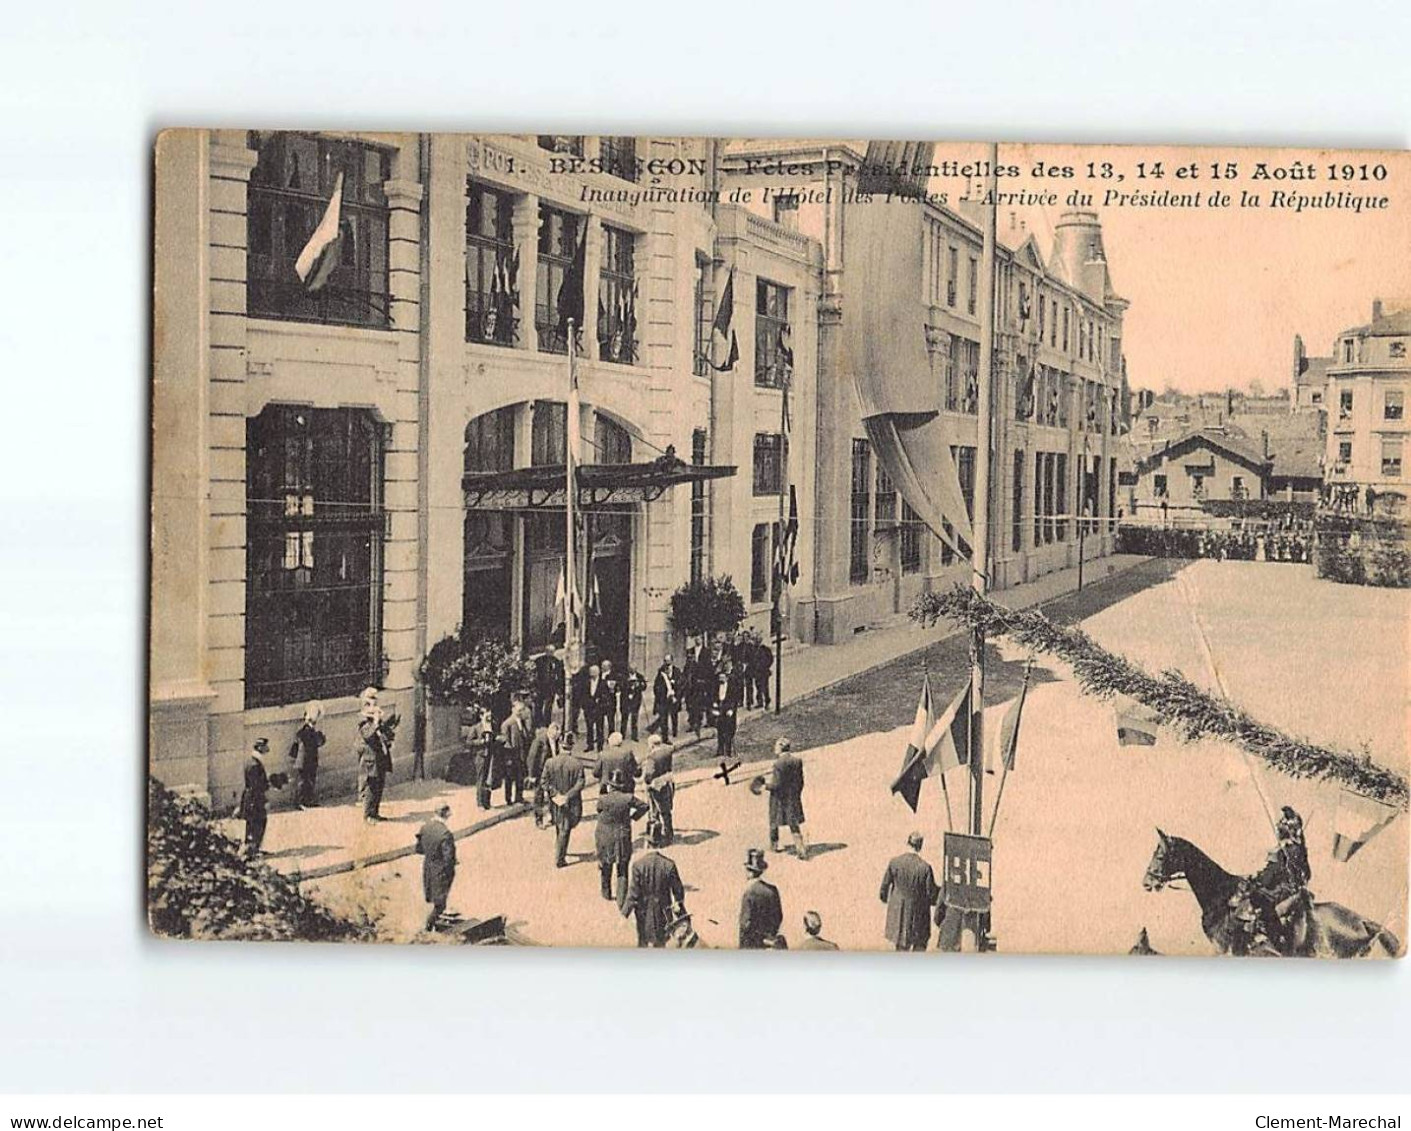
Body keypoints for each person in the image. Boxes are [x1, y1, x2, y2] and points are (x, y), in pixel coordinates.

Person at [879, 831, 941, 951]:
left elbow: (883, 889)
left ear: (908, 843)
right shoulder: (925, 868)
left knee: (900, 950)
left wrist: (886, 899)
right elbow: (932, 895)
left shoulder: (895, 863)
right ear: (920, 846)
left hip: (899, 916)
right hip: (918, 919)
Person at [595, 769, 648, 906]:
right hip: (622, 835)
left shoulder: (603, 799)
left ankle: (606, 893)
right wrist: (633, 817)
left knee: (606, 865)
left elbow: (599, 810)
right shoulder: (628, 798)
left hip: (605, 836)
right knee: (622, 868)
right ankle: (621, 899)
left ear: (610, 785)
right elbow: (644, 806)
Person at [622, 848, 686, 948]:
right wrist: (679, 907)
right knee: (661, 942)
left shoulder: (638, 865)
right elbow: (678, 890)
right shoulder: (669, 865)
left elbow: (633, 893)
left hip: (643, 912)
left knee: (642, 940)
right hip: (663, 911)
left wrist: (625, 912)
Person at [543, 732, 586, 867]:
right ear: (571, 747)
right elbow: (580, 783)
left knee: (559, 824)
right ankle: (560, 858)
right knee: (565, 828)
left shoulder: (550, 762)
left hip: (555, 801)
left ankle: (559, 848)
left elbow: (544, 782)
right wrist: (567, 795)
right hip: (571, 802)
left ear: (560, 746)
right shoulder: (577, 764)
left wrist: (555, 794)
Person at [414, 803, 457, 932]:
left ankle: (432, 923)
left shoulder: (424, 828)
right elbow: (449, 859)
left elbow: (418, 849)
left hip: (428, 867)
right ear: (445, 815)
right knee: (440, 904)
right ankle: (428, 927)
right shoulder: (446, 834)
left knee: (430, 897)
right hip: (440, 871)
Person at [765, 737, 808, 860]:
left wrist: (766, 786)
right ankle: (801, 849)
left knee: (774, 821)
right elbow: (800, 781)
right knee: (793, 823)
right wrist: (796, 794)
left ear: (780, 748)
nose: (774, 748)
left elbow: (776, 785)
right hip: (792, 798)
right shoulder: (797, 761)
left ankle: (773, 846)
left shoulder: (778, 764)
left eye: (776, 746)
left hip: (779, 799)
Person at [238, 737, 282, 857]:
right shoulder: (254, 764)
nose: (268, 749)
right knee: (257, 822)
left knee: (254, 823)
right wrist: (264, 800)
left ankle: (253, 848)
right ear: (260, 748)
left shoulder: (253, 762)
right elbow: (256, 786)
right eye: (265, 746)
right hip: (254, 799)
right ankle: (252, 849)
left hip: (252, 798)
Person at [355, 687, 392, 823]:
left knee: (379, 785)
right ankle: (367, 815)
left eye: (375, 702)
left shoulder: (375, 720)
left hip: (380, 757)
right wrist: (375, 722)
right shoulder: (363, 720)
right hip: (369, 759)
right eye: (370, 703)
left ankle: (375, 812)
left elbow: (382, 734)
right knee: (370, 787)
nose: (374, 706)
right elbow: (368, 735)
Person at [738, 848, 785, 949]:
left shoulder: (749, 893)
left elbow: (745, 924)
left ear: (749, 872)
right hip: (770, 942)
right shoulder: (773, 890)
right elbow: (778, 916)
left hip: (752, 944)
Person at [286, 701, 325, 809]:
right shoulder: (306, 730)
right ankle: (300, 802)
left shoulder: (310, 730)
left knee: (310, 780)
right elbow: (315, 742)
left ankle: (308, 800)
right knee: (303, 782)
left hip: (310, 759)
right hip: (304, 760)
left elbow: (321, 742)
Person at [642, 733, 675, 847]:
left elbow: (649, 774)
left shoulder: (652, 757)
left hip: (655, 785)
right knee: (666, 811)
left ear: (651, 745)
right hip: (666, 781)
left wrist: (646, 780)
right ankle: (669, 834)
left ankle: (656, 836)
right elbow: (671, 747)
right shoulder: (667, 752)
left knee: (654, 811)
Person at [526, 721, 561, 829]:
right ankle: (539, 820)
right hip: (540, 773)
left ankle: (554, 817)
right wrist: (531, 775)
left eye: (558, 736)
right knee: (539, 796)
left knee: (553, 795)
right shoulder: (539, 741)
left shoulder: (556, 740)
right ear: (550, 731)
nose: (556, 737)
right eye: (555, 735)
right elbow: (531, 758)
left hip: (552, 772)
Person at [498, 700, 530, 807]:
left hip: (521, 755)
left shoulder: (522, 721)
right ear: (513, 710)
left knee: (520, 777)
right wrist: (508, 757)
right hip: (511, 756)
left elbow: (524, 737)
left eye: (522, 710)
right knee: (509, 778)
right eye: (519, 710)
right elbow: (505, 741)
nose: (520, 712)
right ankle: (508, 799)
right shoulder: (507, 723)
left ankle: (519, 798)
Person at [595, 730, 639, 796]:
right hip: (625, 786)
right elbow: (635, 771)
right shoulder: (628, 754)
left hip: (607, 787)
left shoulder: (602, 754)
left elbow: (595, 772)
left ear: (609, 742)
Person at [470, 707, 497, 810]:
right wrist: (480, 742)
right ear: (481, 716)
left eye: (490, 716)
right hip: (480, 756)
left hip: (491, 755)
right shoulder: (476, 728)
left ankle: (487, 803)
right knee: (481, 779)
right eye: (487, 716)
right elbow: (469, 742)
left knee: (489, 779)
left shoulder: (492, 726)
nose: (489, 718)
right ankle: (480, 803)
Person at [710, 670, 740, 763]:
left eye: (722, 678)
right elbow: (714, 697)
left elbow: (734, 699)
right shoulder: (716, 686)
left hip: (729, 711)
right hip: (720, 710)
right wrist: (714, 704)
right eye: (720, 678)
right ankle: (720, 750)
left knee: (729, 731)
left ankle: (728, 751)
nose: (721, 679)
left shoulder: (732, 687)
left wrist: (731, 710)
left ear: (726, 678)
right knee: (720, 731)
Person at [652, 654, 681, 739]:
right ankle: (665, 734)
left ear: (672, 661)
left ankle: (674, 731)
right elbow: (656, 684)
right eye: (665, 660)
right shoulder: (661, 671)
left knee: (674, 715)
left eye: (668, 660)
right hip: (664, 697)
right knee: (664, 716)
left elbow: (681, 683)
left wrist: (675, 685)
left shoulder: (677, 671)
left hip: (674, 696)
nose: (667, 662)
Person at [582, 665, 608, 752]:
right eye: (590, 671)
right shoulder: (586, 682)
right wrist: (584, 706)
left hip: (598, 709)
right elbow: (584, 694)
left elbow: (606, 696)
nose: (591, 673)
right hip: (589, 708)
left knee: (599, 728)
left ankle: (600, 747)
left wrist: (601, 704)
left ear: (597, 673)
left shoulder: (603, 683)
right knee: (589, 727)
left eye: (593, 672)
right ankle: (590, 745)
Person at [619, 663, 646, 741]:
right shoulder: (624, 676)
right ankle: (622, 735)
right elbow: (621, 686)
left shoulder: (640, 676)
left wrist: (640, 685)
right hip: (625, 700)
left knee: (634, 718)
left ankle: (634, 736)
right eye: (631, 668)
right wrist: (628, 685)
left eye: (634, 668)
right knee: (624, 718)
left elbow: (644, 687)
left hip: (636, 700)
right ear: (628, 668)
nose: (632, 670)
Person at [600, 660, 622, 737]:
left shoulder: (613, 675)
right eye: (602, 665)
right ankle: (600, 736)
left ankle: (611, 735)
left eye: (604, 666)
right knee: (600, 720)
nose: (602, 667)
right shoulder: (599, 675)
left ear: (609, 667)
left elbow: (616, 687)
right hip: (600, 701)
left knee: (610, 720)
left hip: (610, 701)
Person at [753, 639, 774, 711]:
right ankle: (760, 702)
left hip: (764, 671)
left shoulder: (766, 649)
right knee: (758, 687)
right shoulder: (753, 649)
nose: (756, 643)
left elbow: (770, 659)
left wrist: (766, 666)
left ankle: (767, 702)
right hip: (757, 671)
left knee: (765, 687)